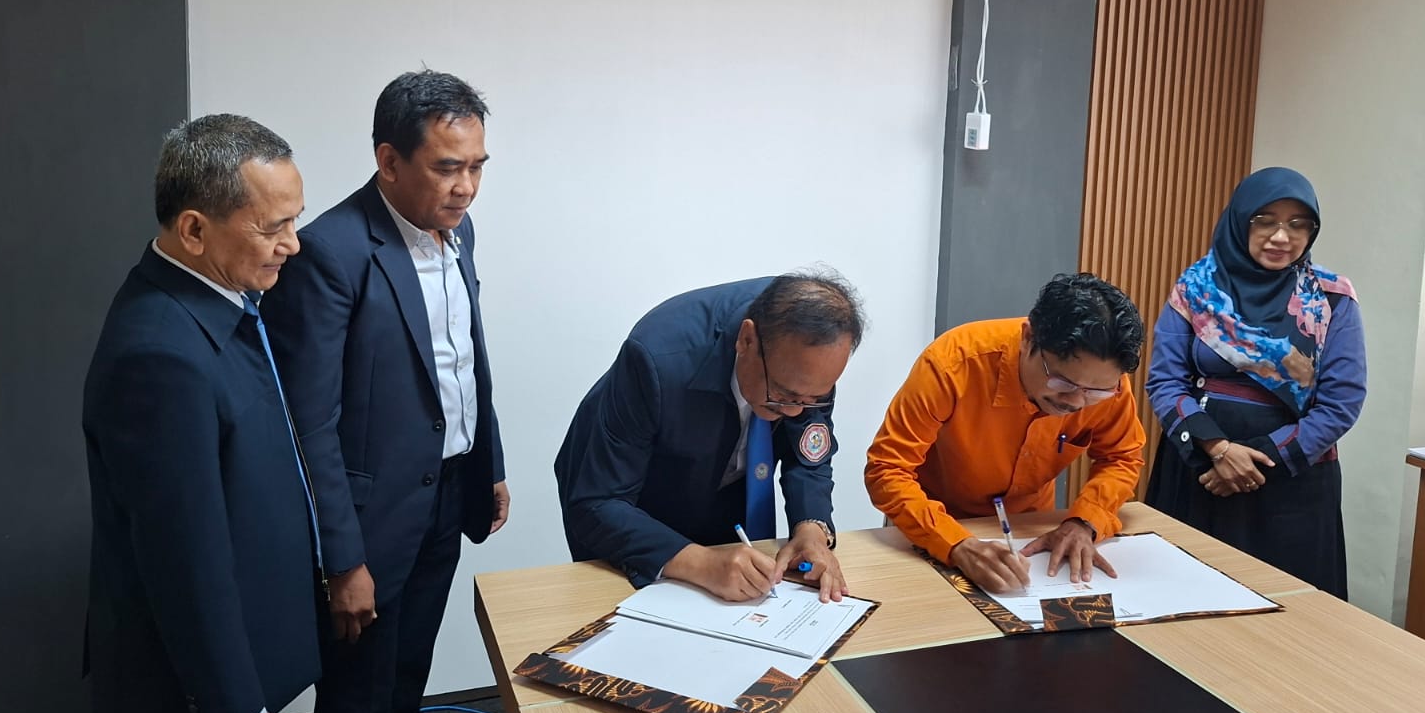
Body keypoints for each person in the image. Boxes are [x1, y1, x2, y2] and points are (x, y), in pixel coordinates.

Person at [262, 71, 509, 713]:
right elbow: (310, 423)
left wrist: (488, 465)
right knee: (358, 711)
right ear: (389, 161)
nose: (466, 188)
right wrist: (343, 560)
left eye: (477, 167)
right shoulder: (331, 252)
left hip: (446, 498)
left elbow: (461, 359)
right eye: (447, 167)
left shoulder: (458, 232)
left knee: (404, 692)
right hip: (370, 527)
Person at [82, 115, 320, 713]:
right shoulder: (159, 354)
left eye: (294, 219)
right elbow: (182, 553)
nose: (293, 243)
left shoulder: (217, 299)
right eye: (273, 227)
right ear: (194, 230)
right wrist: (233, 712)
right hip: (182, 699)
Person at [555, 273, 865, 603]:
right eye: (783, 395)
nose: (794, 411)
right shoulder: (657, 358)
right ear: (746, 340)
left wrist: (811, 529)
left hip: (725, 489)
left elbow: (809, 452)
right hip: (632, 506)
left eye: (813, 399)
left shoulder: (811, 360)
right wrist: (701, 563)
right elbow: (597, 502)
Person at [1144, 167, 1364, 598]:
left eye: (1298, 224)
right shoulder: (1196, 289)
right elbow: (1165, 380)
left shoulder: (1331, 297)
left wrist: (1257, 461)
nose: (1282, 236)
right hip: (1198, 466)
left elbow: (1342, 402)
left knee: (1288, 610)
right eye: (1265, 220)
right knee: (1182, 599)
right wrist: (1218, 451)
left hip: (1291, 479)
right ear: (1240, 220)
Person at [865, 273, 1147, 594]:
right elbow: (887, 470)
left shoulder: (1109, 385)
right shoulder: (952, 364)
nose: (1076, 402)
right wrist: (955, 544)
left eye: (1095, 392)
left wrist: (1084, 522)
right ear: (1028, 338)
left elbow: (1122, 457)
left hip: (1030, 530)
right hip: (930, 526)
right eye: (1063, 383)